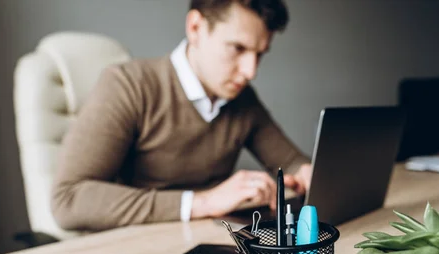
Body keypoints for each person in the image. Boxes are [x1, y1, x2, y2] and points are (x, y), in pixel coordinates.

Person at [50, 0, 312, 231]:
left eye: (259, 54)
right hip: (135, 248)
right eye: (237, 48)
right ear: (195, 27)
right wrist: (204, 202)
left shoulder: (242, 100)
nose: (250, 71)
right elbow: (69, 199)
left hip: (207, 243)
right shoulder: (128, 85)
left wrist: (306, 175)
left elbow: (292, 163)